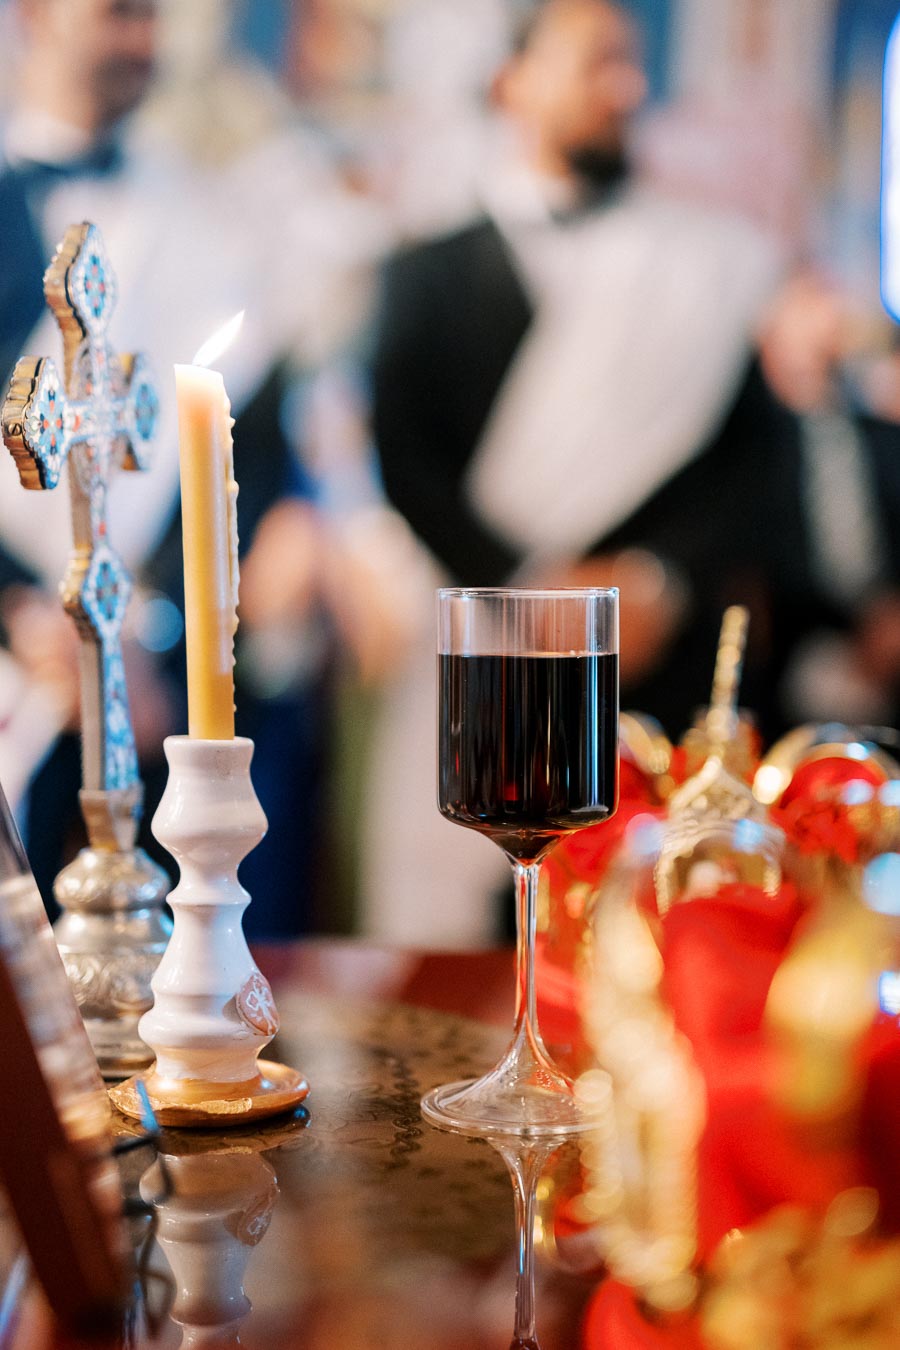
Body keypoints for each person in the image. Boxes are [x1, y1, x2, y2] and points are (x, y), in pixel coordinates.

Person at [363, 0, 812, 945]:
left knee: (652, 926)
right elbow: (406, 459)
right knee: (478, 931)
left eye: (632, 66)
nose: (627, 89)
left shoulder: (703, 267)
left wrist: (655, 580)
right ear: (512, 81)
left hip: (655, 658)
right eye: (597, 63)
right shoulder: (423, 272)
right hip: (489, 648)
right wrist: (531, 594)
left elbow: (756, 463)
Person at [0, 0, 384, 934]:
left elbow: (233, 417)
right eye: (119, 13)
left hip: (164, 648)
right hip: (17, 647)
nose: (144, 41)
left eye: (151, 18)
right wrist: (21, 614)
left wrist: (162, 621)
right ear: (40, 14)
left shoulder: (201, 216)